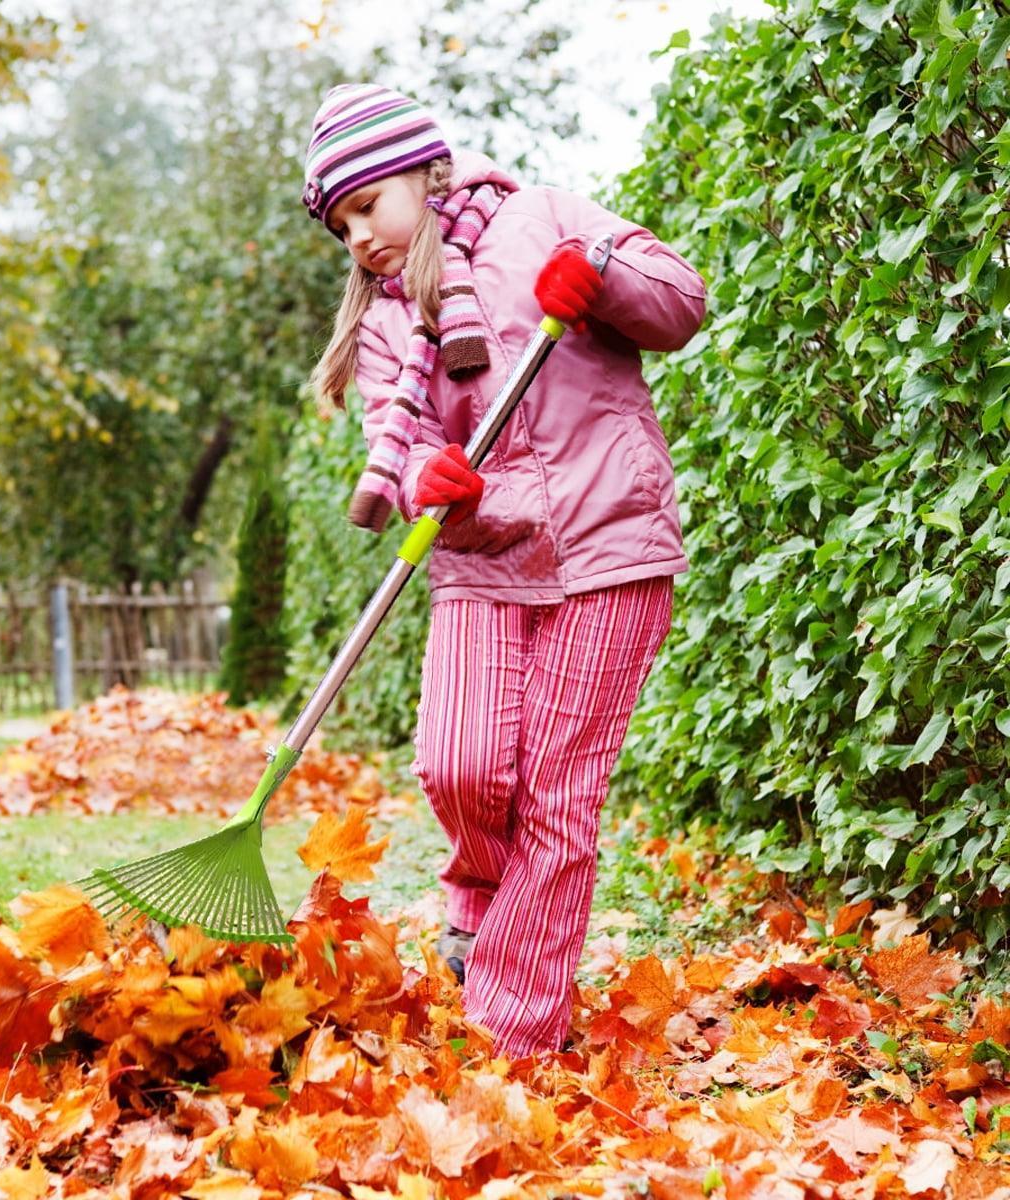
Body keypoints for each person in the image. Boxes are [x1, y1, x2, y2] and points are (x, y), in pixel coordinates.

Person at [301, 83, 706, 1059]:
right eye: (341, 224)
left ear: (427, 172)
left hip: (607, 548)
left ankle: (508, 1041)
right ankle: (477, 903)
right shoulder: (386, 324)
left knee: (558, 803)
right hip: (484, 558)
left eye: (368, 206)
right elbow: (394, 461)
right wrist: (430, 484)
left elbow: (679, 299)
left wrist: (600, 280)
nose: (358, 237)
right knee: (460, 766)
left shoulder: (546, 218)